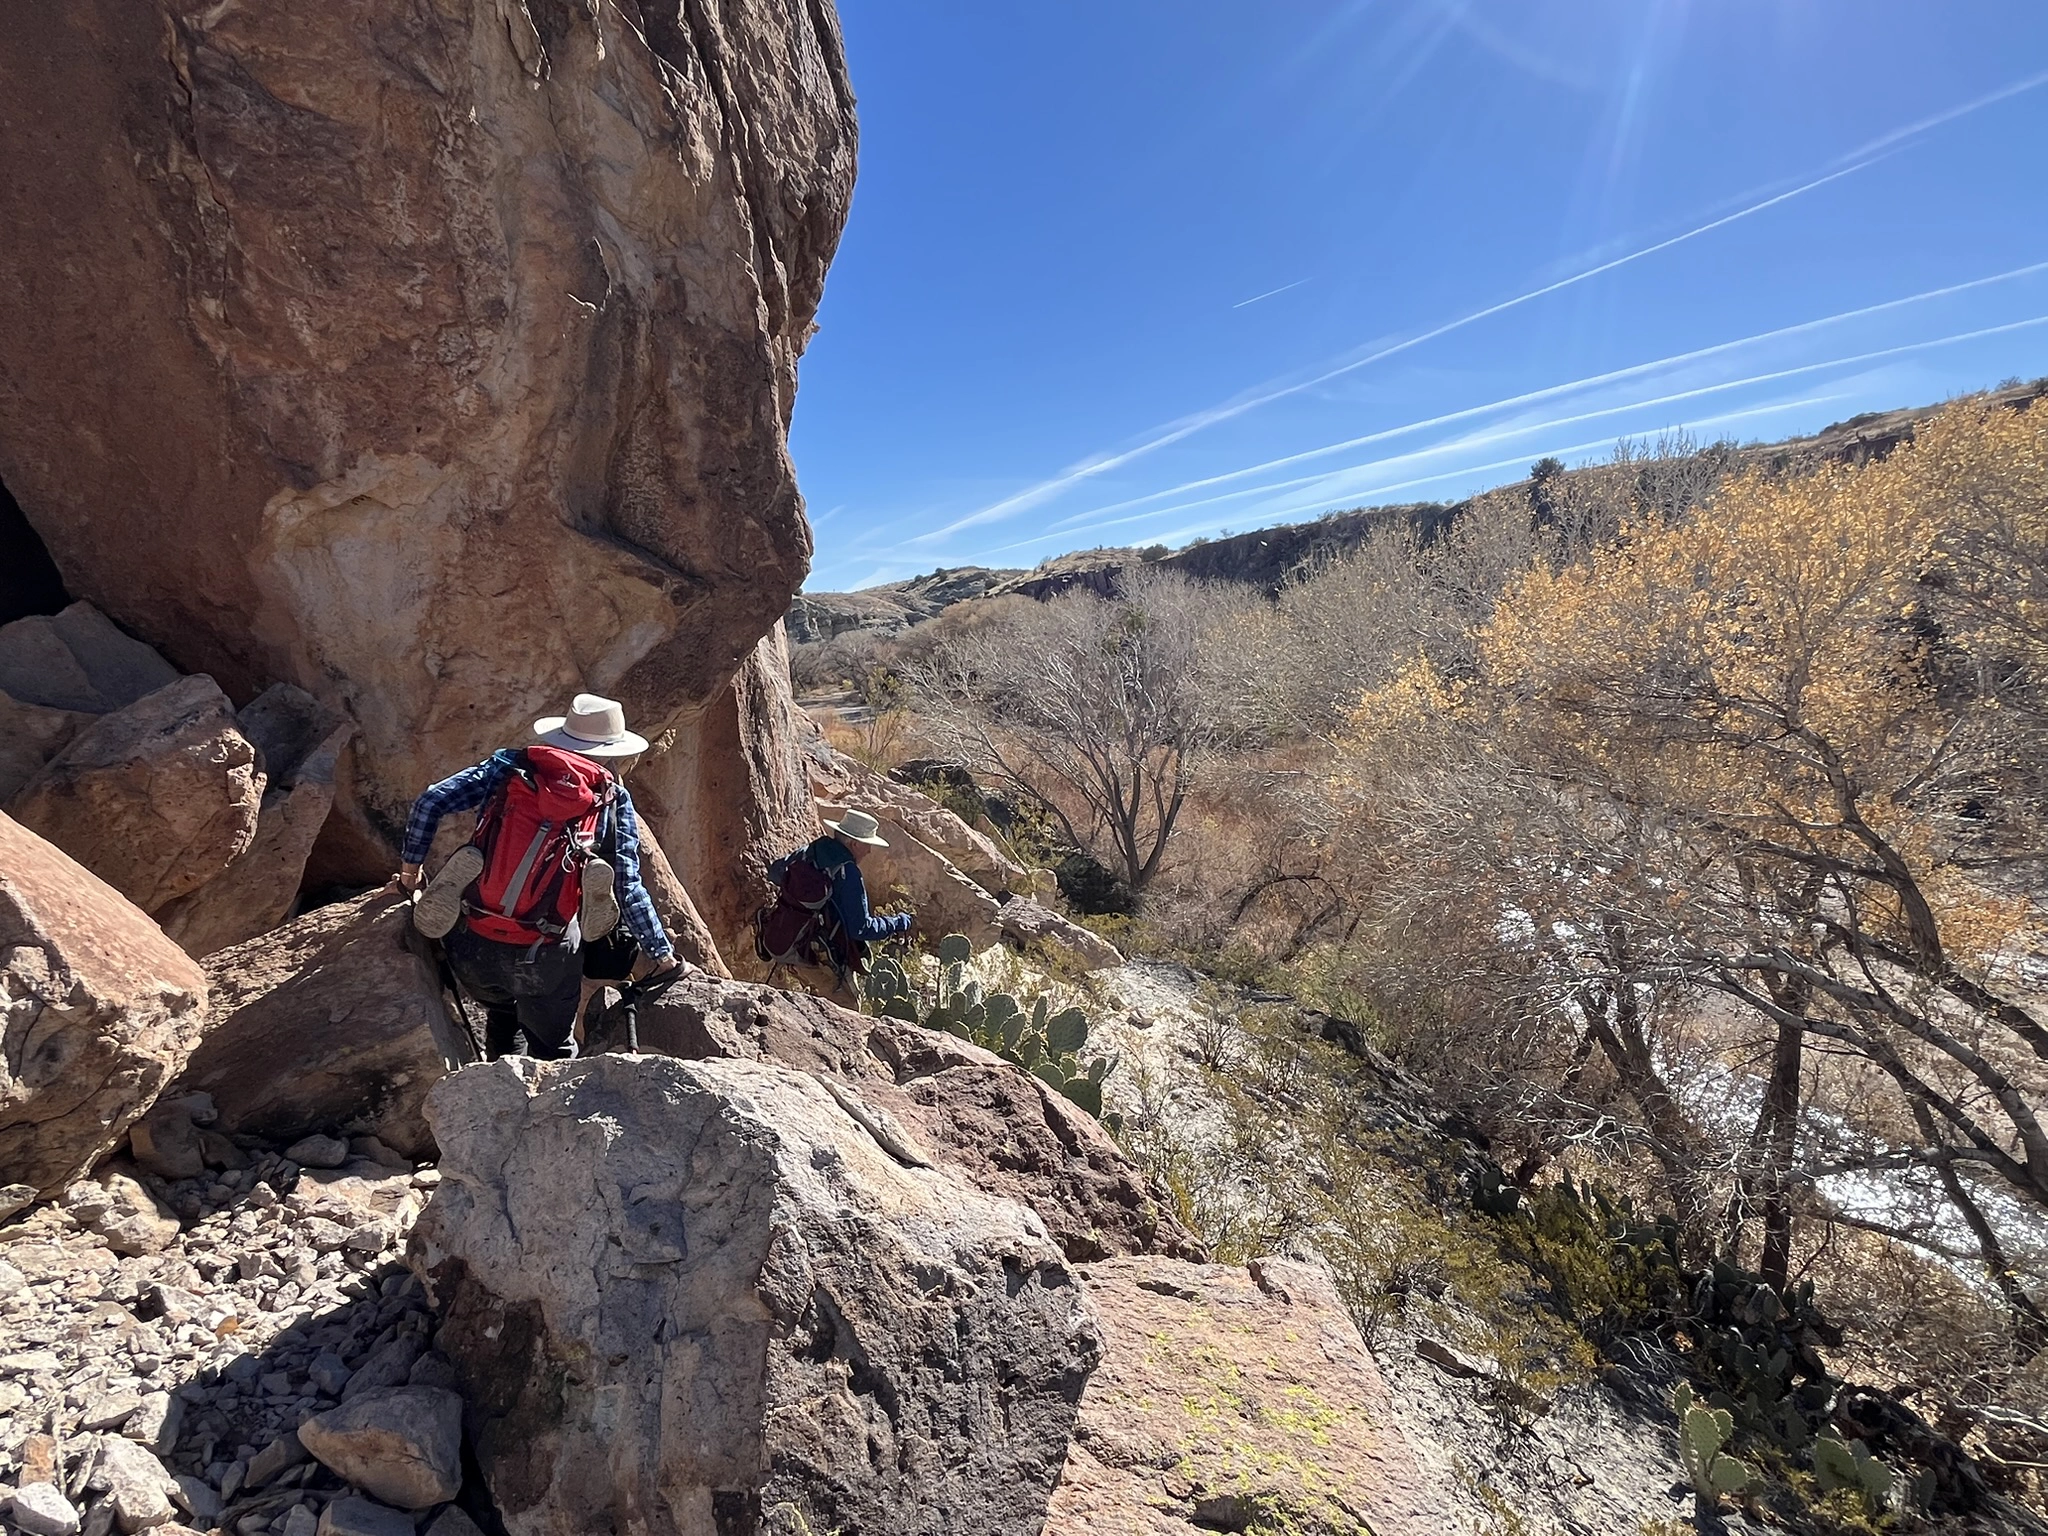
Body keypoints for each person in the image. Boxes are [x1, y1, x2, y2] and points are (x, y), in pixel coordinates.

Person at [395, 693, 681, 1061]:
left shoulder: (508, 768)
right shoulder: (611, 797)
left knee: (502, 1015)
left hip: (471, 944)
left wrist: (409, 876)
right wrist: (661, 954)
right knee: (554, 1047)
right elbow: (627, 885)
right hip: (544, 955)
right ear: (611, 750)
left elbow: (430, 801)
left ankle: (498, 1080)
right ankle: (547, 1106)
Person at [755, 809, 911, 991]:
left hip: (785, 938)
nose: (869, 851)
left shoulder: (810, 851)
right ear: (853, 844)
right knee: (849, 1008)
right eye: (866, 844)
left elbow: (775, 873)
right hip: (818, 954)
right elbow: (861, 928)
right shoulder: (848, 872)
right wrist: (898, 922)